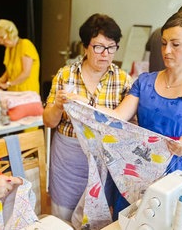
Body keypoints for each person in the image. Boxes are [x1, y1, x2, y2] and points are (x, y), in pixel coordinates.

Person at [77, 8, 182, 217]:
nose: (166, 51)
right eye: (164, 43)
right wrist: (83, 102)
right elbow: (118, 116)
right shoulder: (145, 82)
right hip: (138, 175)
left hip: (177, 180)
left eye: (175, 45)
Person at [43, 13, 133, 222]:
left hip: (104, 158)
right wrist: (57, 105)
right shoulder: (66, 75)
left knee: (96, 217)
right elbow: (48, 121)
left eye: (112, 47)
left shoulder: (122, 80)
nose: (105, 54)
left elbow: (128, 123)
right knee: (62, 215)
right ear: (85, 46)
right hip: (68, 159)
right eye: (99, 47)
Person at [0, 19, 40, 94]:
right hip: (13, 93)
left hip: (27, 94)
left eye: (2, 37)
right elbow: (9, 71)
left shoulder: (26, 45)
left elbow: (26, 73)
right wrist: (1, 80)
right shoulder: (8, 49)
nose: (1, 42)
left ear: (11, 33)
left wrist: (8, 84)